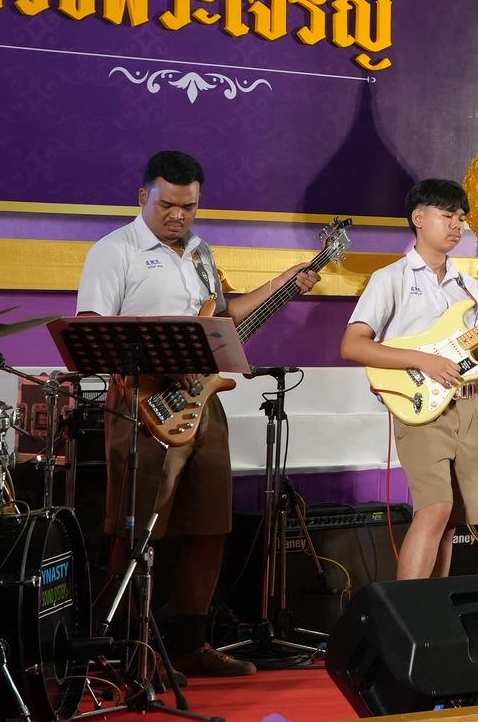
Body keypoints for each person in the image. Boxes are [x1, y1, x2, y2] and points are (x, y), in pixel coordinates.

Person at [76, 150, 328, 678]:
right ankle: (127, 650)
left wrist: (286, 281)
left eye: (188, 207)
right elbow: (94, 328)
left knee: (210, 526)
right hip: (143, 403)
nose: (178, 216)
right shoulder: (114, 251)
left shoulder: (200, 252)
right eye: (167, 205)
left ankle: (191, 645)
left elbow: (226, 313)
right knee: (137, 529)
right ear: (142, 197)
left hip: (204, 402)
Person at [339, 179, 478, 580]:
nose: (457, 225)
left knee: (453, 519)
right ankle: (406, 610)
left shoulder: (468, 287)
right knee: (434, 508)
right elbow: (353, 345)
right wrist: (425, 360)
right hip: (420, 406)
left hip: (468, 406)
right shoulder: (391, 278)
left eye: (461, 218)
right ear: (419, 218)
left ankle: (434, 607)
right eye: (447, 215)